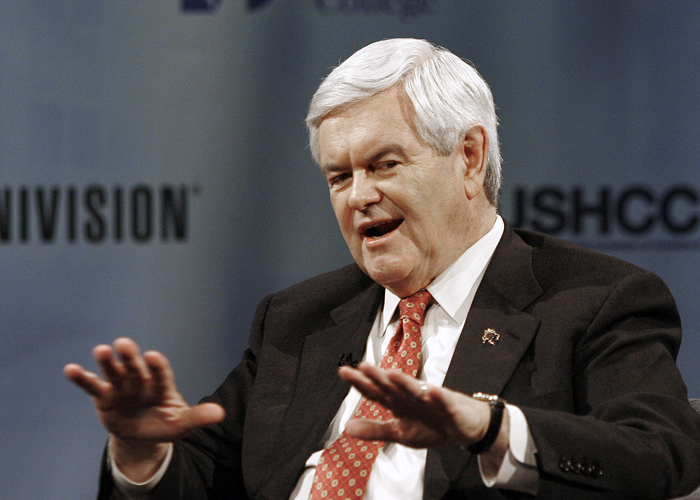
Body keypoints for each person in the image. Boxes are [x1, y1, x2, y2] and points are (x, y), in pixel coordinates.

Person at [64, 38, 700, 499]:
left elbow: (664, 453)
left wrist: (490, 427)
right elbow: (203, 476)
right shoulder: (297, 319)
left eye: (384, 165)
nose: (357, 195)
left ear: (470, 157)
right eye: (339, 176)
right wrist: (142, 452)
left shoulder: (594, 300)